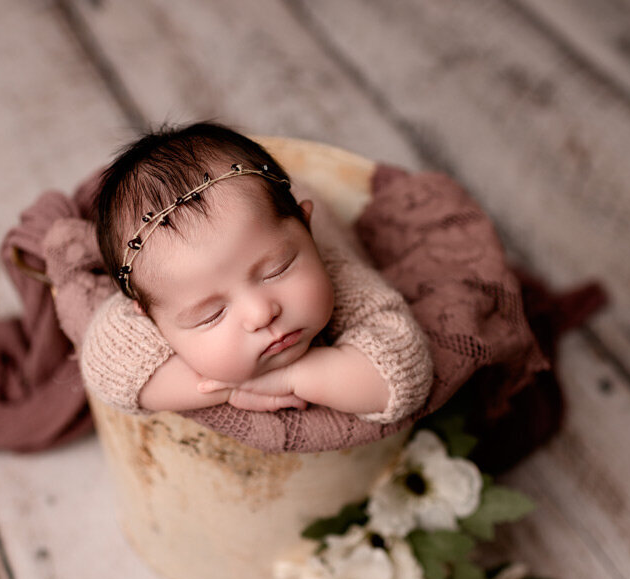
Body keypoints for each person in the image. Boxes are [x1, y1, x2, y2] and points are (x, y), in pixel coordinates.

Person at [79, 122, 433, 423]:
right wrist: (226, 389)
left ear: (307, 230)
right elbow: (104, 366)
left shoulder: (343, 279)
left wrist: (294, 376)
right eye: (210, 314)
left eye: (277, 270)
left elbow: (404, 375)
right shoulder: (161, 296)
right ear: (149, 317)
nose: (261, 313)